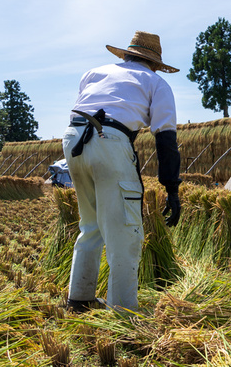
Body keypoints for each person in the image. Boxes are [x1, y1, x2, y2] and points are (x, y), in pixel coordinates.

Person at [61, 31, 181, 312]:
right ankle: (123, 311)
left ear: (126, 55)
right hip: (110, 142)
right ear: (154, 63)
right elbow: (165, 139)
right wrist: (172, 188)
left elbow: (91, 110)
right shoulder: (155, 82)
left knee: (90, 225)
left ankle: (79, 299)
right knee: (126, 232)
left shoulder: (94, 73)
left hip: (73, 140)